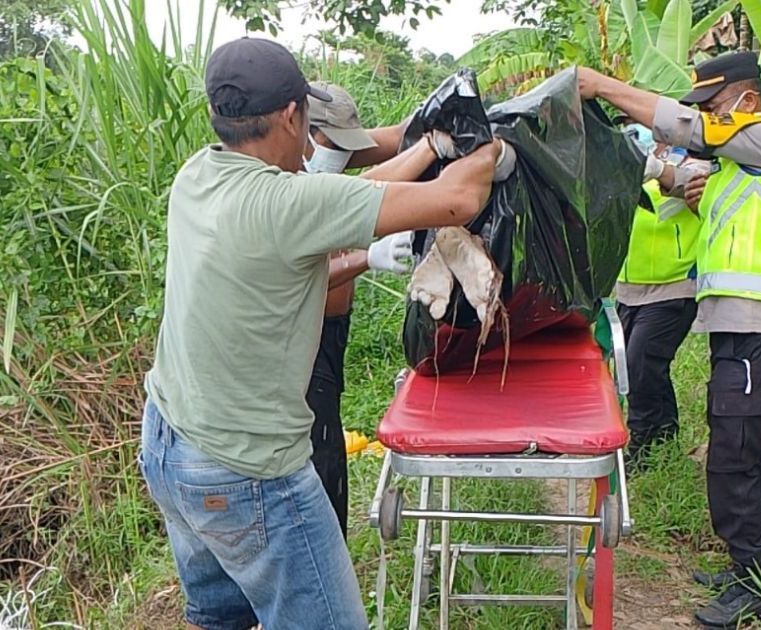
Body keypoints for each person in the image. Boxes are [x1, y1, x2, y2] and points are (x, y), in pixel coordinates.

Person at [139, 38, 512, 630]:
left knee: (221, 618)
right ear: (291, 117)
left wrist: (424, 149)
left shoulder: (198, 175)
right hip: (247, 471)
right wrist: (491, 147)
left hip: (170, 445)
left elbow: (348, 198)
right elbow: (461, 197)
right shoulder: (286, 203)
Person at [578, 51, 761, 628]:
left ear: (747, 103)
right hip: (738, 330)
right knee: (746, 454)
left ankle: (754, 588)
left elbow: (687, 131)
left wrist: (600, 86)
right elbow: (678, 174)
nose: (705, 117)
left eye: (713, 106)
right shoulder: (738, 167)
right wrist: (648, 165)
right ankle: (750, 569)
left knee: (733, 457)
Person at [300, 82, 417, 538]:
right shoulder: (289, 186)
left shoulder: (326, 162)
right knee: (318, 456)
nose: (339, 155)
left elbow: (400, 138)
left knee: (327, 437)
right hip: (306, 339)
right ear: (300, 130)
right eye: (331, 144)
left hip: (331, 333)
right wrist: (369, 258)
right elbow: (301, 278)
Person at [616, 120, 706, 464]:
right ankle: (665, 437)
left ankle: (641, 446)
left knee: (641, 361)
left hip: (674, 284)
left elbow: (689, 187)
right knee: (641, 366)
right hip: (629, 287)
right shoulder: (623, 166)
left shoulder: (691, 162)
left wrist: (656, 170)